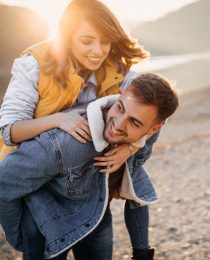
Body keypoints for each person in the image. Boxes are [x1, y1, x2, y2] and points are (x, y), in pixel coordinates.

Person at [0, 0, 155, 258]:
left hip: (91, 194)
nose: (98, 51)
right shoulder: (34, 64)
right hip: (43, 197)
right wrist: (57, 119)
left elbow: (150, 111)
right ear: (66, 36)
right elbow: (8, 131)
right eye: (87, 41)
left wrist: (128, 149)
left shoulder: (117, 69)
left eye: (105, 41)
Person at [0, 73, 179, 260]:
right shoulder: (66, 143)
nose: (118, 124)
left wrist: (130, 148)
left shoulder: (148, 134)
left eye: (134, 122)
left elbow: (160, 118)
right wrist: (18, 237)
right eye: (120, 108)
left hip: (96, 217)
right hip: (47, 227)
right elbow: (4, 179)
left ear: (153, 129)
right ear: (121, 93)